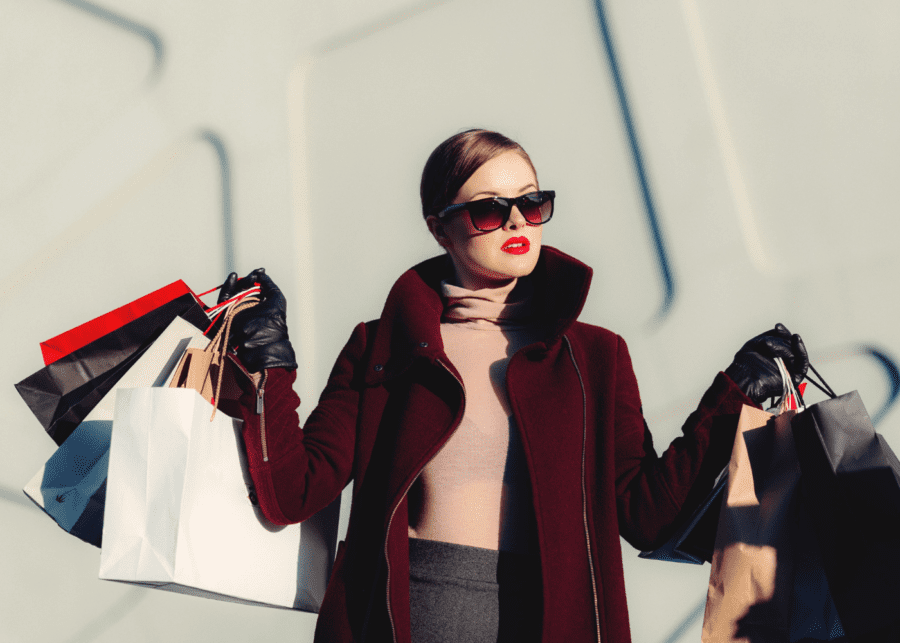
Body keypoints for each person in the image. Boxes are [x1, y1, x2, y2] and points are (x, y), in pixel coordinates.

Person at [219, 129, 809, 643]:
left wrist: (734, 394)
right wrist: (269, 362)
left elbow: (646, 514)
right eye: (488, 210)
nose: (517, 223)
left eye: (532, 203)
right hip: (409, 618)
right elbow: (293, 491)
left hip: (554, 621)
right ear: (439, 228)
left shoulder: (595, 356)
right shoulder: (384, 346)